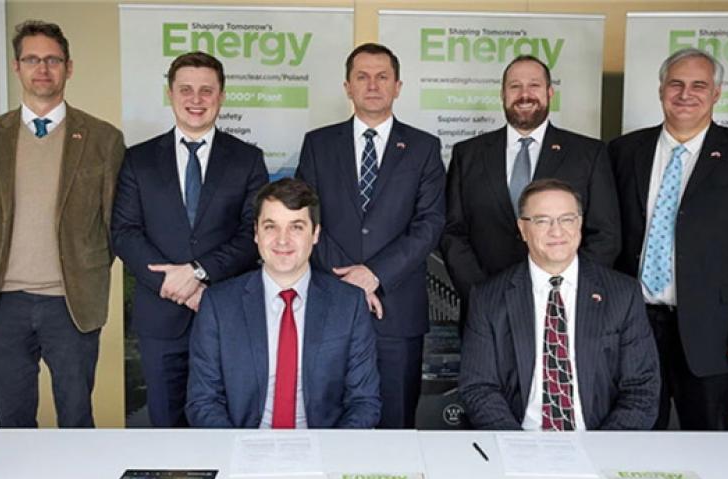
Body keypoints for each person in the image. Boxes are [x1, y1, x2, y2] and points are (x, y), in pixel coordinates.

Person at [0, 20, 124, 427]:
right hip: (4, 302)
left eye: (53, 59)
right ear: (17, 67)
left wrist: (84, 269)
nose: (43, 68)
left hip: (70, 303)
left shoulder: (102, 139)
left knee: (76, 418)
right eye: (32, 59)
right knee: (13, 421)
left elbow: (111, 223)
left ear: (69, 68)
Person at [609, 48, 728, 430]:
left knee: (710, 440)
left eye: (699, 85)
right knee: (632, 438)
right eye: (676, 84)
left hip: (714, 331)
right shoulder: (622, 151)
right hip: (633, 324)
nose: (686, 93)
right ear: (661, 89)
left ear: (716, 93)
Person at [111, 51, 268, 427]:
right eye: (185, 89)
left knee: (230, 427)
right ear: (170, 94)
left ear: (221, 96)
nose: (195, 99)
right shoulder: (139, 159)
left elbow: (254, 234)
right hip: (161, 319)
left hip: (227, 316)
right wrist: (173, 284)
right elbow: (124, 233)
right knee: (167, 429)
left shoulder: (247, 159)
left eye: (206, 90)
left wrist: (198, 273)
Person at [296, 43, 445, 428]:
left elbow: (429, 224)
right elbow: (305, 220)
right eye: (362, 76)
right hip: (330, 303)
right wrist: (349, 281)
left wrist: (374, 274)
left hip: (397, 310)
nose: (373, 85)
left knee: (395, 421)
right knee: (328, 418)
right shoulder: (318, 143)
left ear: (398, 86)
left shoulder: (424, 147)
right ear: (347, 86)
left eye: (383, 77)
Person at [459, 179, 659, 430]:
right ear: (523, 229)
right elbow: (479, 388)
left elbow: (641, 389)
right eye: (542, 221)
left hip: (601, 441)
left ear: (580, 223)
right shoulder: (489, 298)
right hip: (521, 440)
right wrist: (517, 447)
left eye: (566, 219)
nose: (557, 231)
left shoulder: (622, 294)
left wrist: (605, 449)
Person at [186, 178, 381, 428]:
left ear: (316, 233)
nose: (282, 240)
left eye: (296, 227)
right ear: (256, 233)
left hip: (323, 450)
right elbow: (203, 401)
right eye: (271, 227)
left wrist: (330, 455)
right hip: (242, 450)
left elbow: (364, 403)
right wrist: (241, 452)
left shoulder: (349, 305)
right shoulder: (218, 305)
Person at [440, 55, 620, 318]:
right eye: (515, 86)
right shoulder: (468, 154)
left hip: (566, 308)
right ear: (502, 94)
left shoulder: (588, 154)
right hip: (486, 307)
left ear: (549, 92)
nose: (525, 94)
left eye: (534, 85)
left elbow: (606, 235)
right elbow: (452, 232)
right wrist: (480, 292)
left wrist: (568, 290)